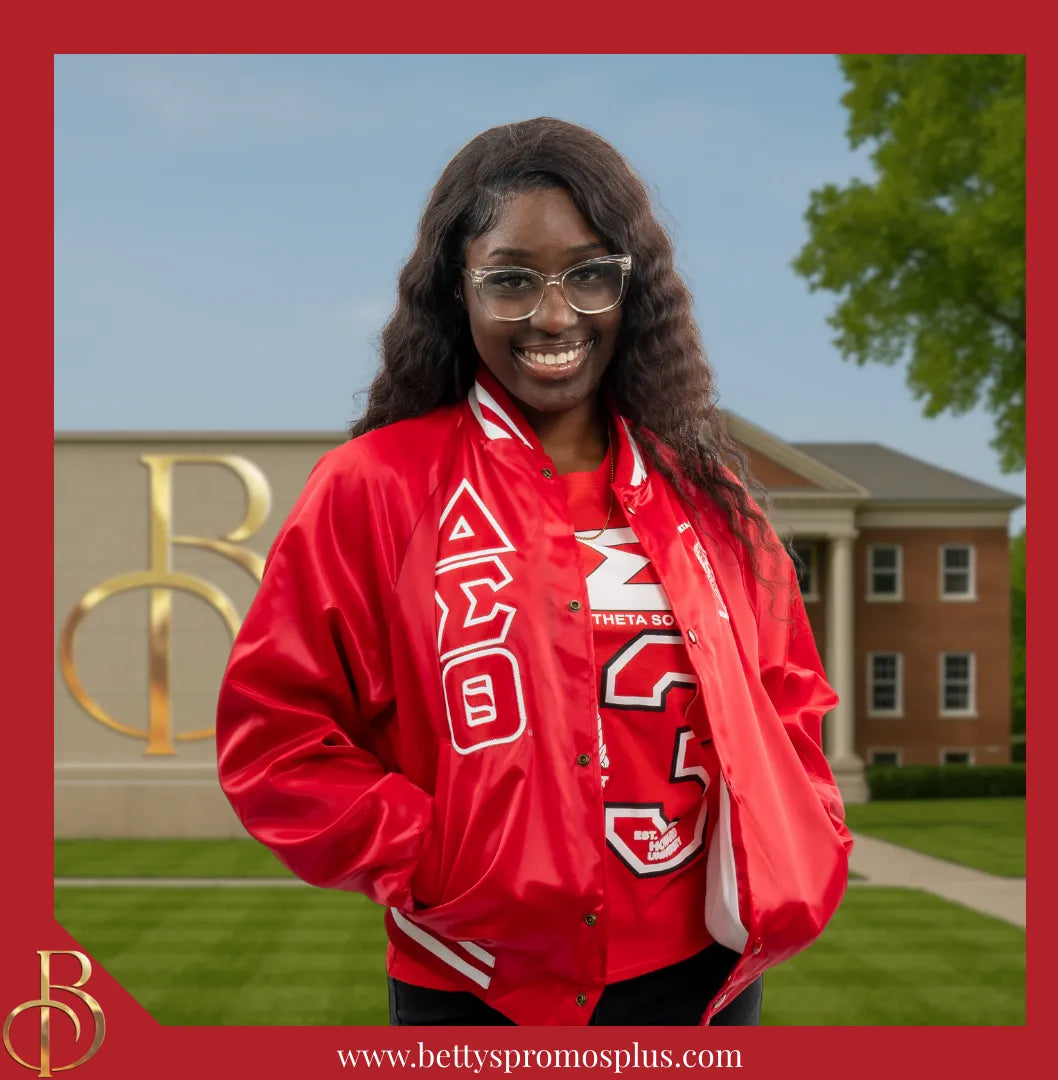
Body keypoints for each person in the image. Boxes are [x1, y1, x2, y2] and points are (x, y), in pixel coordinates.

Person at [216, 117, 852, 1028]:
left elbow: (788, 698)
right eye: (512, 279)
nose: (555, 316)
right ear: (458, 291)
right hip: (477, 979)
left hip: (705, 978)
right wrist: (445, 857)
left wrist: (804, 832)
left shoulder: (708, 499)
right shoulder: (377, 488)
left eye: (589, 274)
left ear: (632, 288)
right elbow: (274, 741)